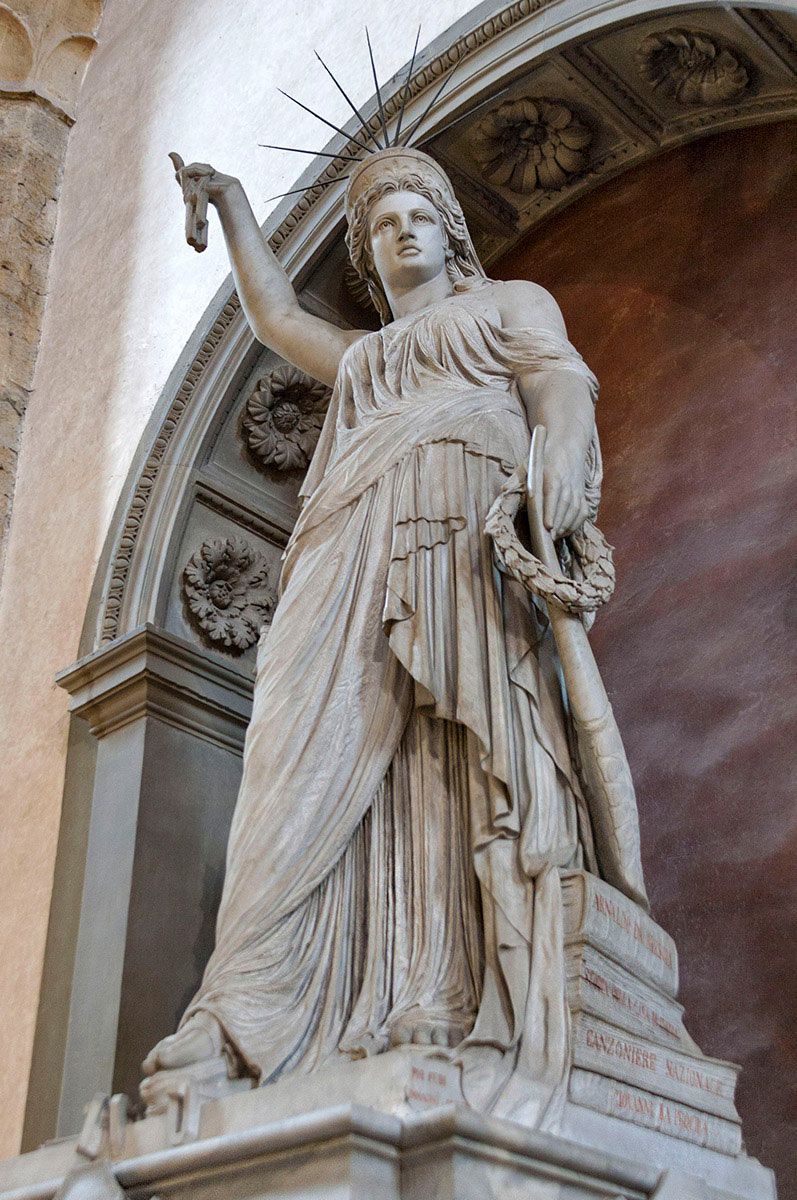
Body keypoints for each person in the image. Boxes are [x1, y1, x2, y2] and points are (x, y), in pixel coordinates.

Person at [142, 146, 604, 1125]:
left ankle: (433, 997)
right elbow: (276, 319)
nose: (401, 230)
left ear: (450, 233)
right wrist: (229, 204)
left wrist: (559, 449)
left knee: (452, 758)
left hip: (456, 531)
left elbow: (558, 381)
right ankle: (242, 1010)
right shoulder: (359, 360)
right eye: (382, 221)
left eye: (418, 215)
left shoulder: (507, 305)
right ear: (366, 254)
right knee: (297, 758)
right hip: (344, 545)